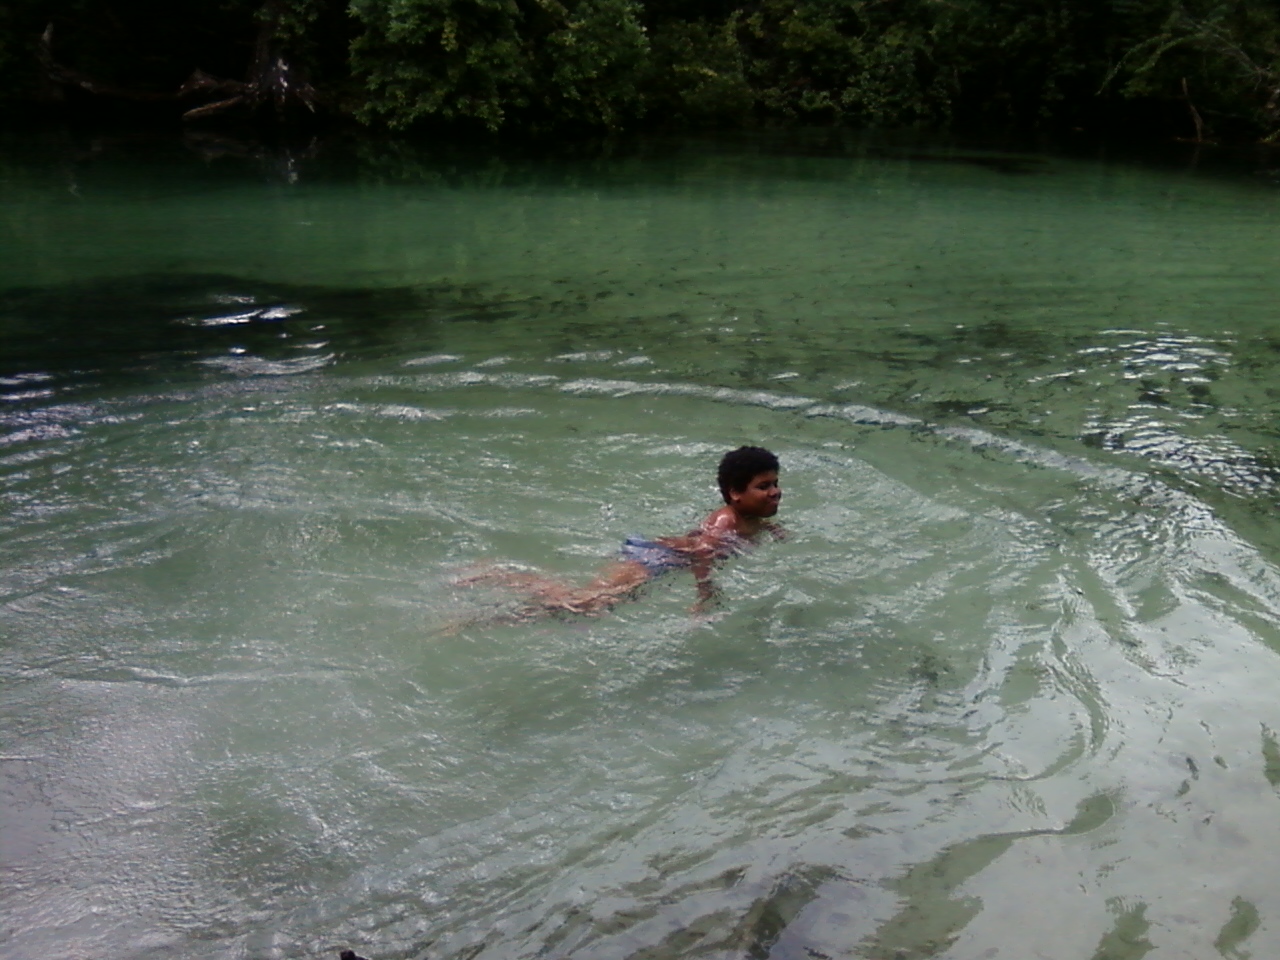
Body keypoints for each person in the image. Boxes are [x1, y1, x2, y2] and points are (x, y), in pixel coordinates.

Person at [458, 446, 782, 619]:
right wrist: (705, 592)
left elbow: (749, 531)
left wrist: (776, 531)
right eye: (763, 486)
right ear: (735, 494)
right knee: (581, 604)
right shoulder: (725, 520)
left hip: (659, 559)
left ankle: (494, 604)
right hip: (653, 559)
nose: (774, 492)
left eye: (776, 484)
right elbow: (702, 551)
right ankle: (497, 575)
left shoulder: (751, 518)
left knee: (584, 609)